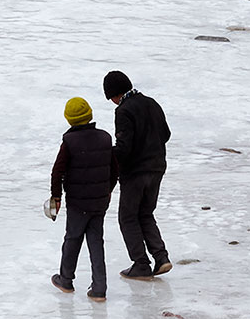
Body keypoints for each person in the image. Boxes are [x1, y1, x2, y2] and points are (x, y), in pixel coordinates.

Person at [44, 94, 114, 297]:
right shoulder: (105, 137)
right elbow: (114, 168)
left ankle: (66, 279)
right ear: (89, 114)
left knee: (73, 238)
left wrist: (56, 197)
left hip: (77, 202)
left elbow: (57, 171)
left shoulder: (69, 141)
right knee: (96, 242)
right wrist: (108, 190)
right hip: (100, 200)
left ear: (69, 119)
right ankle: (99, 288)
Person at [106, 68, 172, 278]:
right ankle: (161, 258)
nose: (112, 102)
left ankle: (141, 263)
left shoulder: (124, 110)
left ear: (115, 94)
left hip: (136, 172)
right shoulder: (152, 103)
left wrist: (106, 154)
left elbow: (124, 149)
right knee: (145, 213)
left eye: (111, 98)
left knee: (127, 217)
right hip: (157, 167)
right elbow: (166, 134)